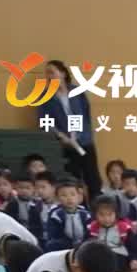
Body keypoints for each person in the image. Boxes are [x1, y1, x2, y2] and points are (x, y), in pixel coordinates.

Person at [41, 60, 103, 196]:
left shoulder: (77, 91)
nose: (49, 76)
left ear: (62, 73)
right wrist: (60, 135)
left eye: (52, 72)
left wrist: (80, 135)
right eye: (47, 73)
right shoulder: (45, 96)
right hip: (64, 145)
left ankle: (97, 208)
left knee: (92, 178)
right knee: (73, 179)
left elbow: (85, 114)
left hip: (84, 142)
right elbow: (45, 121)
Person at [86, 195, 137, 272]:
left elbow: (134, 246)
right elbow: (86, 245)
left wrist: (134, 259)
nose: (106, 218)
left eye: (110, 214)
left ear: (116, 214)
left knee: (119, 261)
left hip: (119, 255)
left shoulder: (123, 227)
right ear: (95, 215)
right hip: (100, 255)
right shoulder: (92, 227)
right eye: (101, 215)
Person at [41, 178, 92, 252]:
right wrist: (70, 244)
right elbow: (54, 235)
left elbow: (90, 232)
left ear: (79, 196)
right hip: (64, 246)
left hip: (83, 244)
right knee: (50, 244)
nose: (69, 198)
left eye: (72, 194)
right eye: (64, 195)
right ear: (57, 198)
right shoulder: (55, 215)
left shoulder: (85, 214)